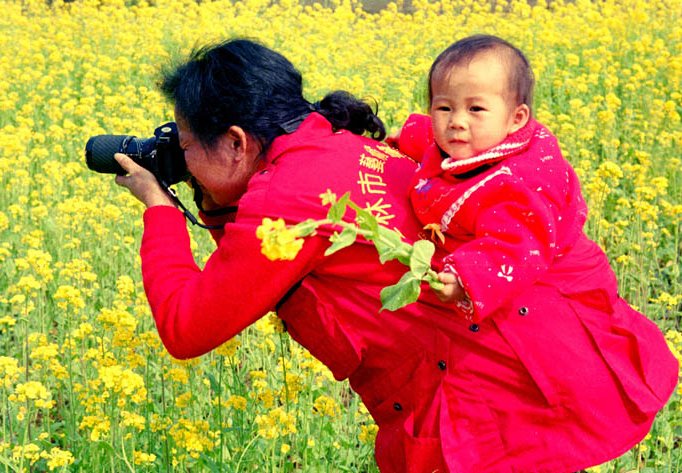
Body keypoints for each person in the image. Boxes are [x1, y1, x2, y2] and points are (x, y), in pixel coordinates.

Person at [113, 38, 678, 473]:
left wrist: (160, 209)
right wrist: (214, 201)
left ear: (236, 141)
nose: (181, 160)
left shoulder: (283, 199)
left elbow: (187, 328)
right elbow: (255, 267)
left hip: (490, 407)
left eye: (186, 145)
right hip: (536, 364)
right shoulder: (339, 143)